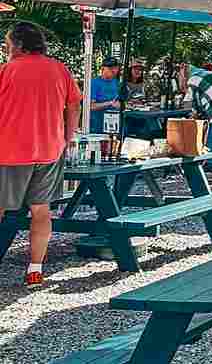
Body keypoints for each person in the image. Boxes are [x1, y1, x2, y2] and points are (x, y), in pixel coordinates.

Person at [0, 22, 82, 287]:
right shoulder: (59, 69)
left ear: (18, 45)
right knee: (41, 211)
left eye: (7, 43)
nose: (5, 48)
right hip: (49, 150)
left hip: (10, 150)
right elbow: (73, 105)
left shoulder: (7, 70)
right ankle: (35, 270)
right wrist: (67, 138)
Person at [89, 55, 123, 133]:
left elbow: (121, 103)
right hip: (97, 127)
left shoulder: (118, 84)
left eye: (116, 68)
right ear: (103, 68)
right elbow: (90, 106)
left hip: (115, 127)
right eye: (110, 68)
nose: (114, 70)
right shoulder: (94, 83)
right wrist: (110, 103)